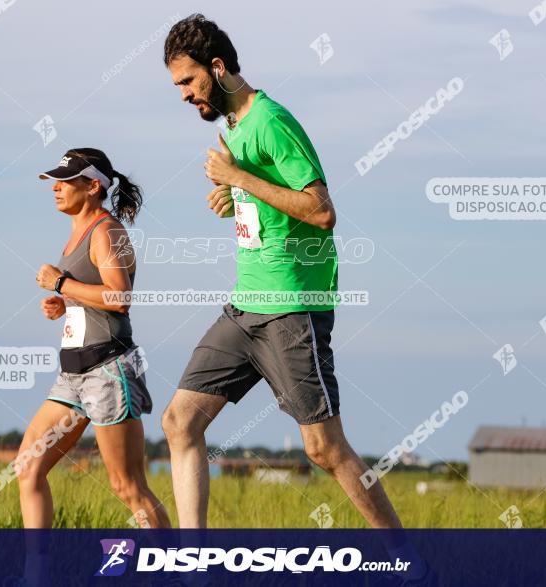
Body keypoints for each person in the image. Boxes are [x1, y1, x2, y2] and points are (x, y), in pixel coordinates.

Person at [161, 14, 406, 533]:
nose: (182, 95)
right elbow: (274, 203)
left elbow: (321, 210)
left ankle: (408, 561)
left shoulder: (270, 120)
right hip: (245, 306)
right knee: (179, 422)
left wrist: (238, 176)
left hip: (292, 307)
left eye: (187, 81)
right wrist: (237, 197)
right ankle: (192, 563)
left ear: (218, 67)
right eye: (177, 84)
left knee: (323, 448)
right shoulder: (234, 127)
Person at [17, 148, 171, 531]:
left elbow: (119, 298)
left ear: (93, 186)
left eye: (66, 181)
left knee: (127, 486)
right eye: (55, 180)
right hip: (72, 374)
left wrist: (60, 283)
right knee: (28, 467)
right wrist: (64, 303)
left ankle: (175, 571)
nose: (56, 188)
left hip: (108, 369)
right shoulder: (77, 234)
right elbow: (94, 295)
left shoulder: (107, 230)